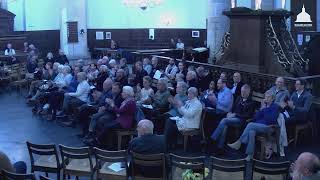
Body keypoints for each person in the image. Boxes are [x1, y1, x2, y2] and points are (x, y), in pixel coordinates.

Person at [228, 90, 280, 161]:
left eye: (268, 97)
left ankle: (239, 142)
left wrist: (265, 109)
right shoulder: (264, 106)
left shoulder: (275, 107)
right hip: (258, 126)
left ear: (273, 98)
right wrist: (261, 109)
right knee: (251, 132)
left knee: (250, 124)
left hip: (269, 127)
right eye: (266, 97)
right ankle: (250, 155)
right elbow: (256, 118)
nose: (266, 98)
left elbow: (271, 120)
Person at [210, 84, 255, 153]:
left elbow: (248, 115)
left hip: (241, 120)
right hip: (233, 118)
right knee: (224, 126)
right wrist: (230, 113)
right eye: (242, 91)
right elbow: (233, 108)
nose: (243, 93)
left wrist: (235, 115)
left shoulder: (251, 102)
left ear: (248, 92)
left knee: (224, 120)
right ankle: (220, 148)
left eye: (244, 92)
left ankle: (213, 138)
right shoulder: (239, 98)